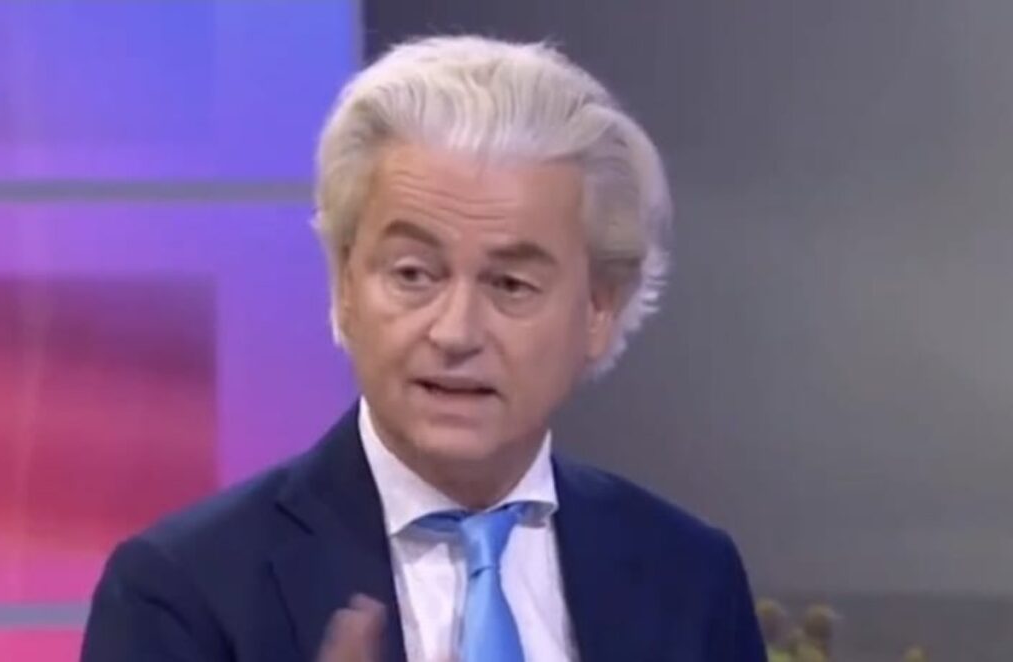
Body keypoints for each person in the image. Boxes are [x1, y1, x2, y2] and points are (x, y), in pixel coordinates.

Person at [81, 35, 765, 662]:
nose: (455, 332)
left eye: (511, 284)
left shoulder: (690, 577)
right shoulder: (182, 592)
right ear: (345, 283)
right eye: (414, 274)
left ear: (598, 308)